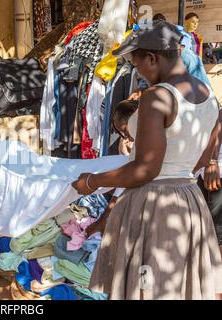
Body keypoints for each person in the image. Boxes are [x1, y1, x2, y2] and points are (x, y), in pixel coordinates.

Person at [73, 21, 222, 299]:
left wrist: (92, 181)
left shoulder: (158, 97)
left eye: (136, 63)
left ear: (152, 58)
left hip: (154, 207)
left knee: (147, 286)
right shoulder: (207, 95)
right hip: (189, 202)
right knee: (176, 286)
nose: (138, 73)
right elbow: (202, 159)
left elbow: (145, 169)